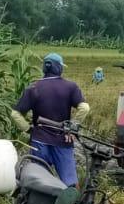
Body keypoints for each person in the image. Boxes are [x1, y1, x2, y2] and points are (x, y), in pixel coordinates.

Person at [10, 52, 89, 187]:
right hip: (63, 140)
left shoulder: (33, 88)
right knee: (70, 184)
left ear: (44, 68)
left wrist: (28, 129)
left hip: (39, 140)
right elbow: (85, 108)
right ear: (59, 67)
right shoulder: (70, 86)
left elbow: (15, 114)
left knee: (39, 181)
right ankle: (70, 200)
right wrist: (72, 127)